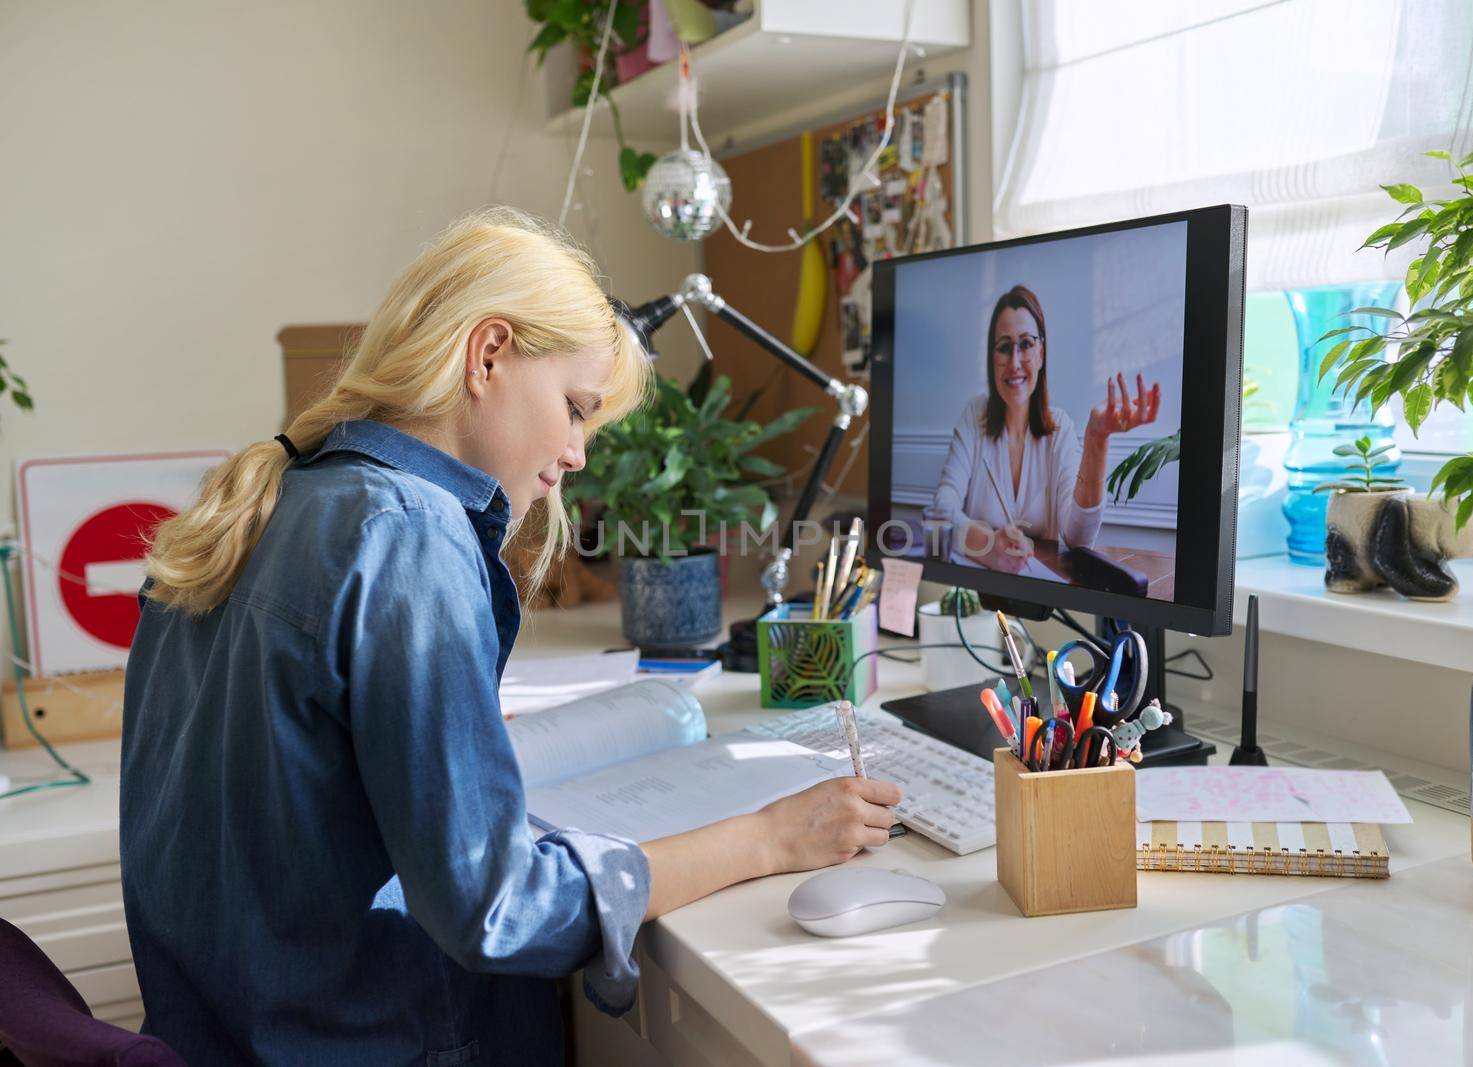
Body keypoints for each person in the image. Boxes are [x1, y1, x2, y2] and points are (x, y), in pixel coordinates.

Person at [120, 207, 902, 1064]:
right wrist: (769, 837)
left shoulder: (268, 504)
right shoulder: (407, 535)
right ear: (488, 353)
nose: (576, 453)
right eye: (573, 408)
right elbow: (499, 909)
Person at [931, 284, 1161, 574]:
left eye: (1026, 344)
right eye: (1004, 347)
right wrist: (988, 547)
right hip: (979, 594)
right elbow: (940, 511)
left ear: (1041, 352)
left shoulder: (1060, 429)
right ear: (993, 358)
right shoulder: (973, 416)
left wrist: (1096, 440)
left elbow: (1078, 538)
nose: (1014, 362)